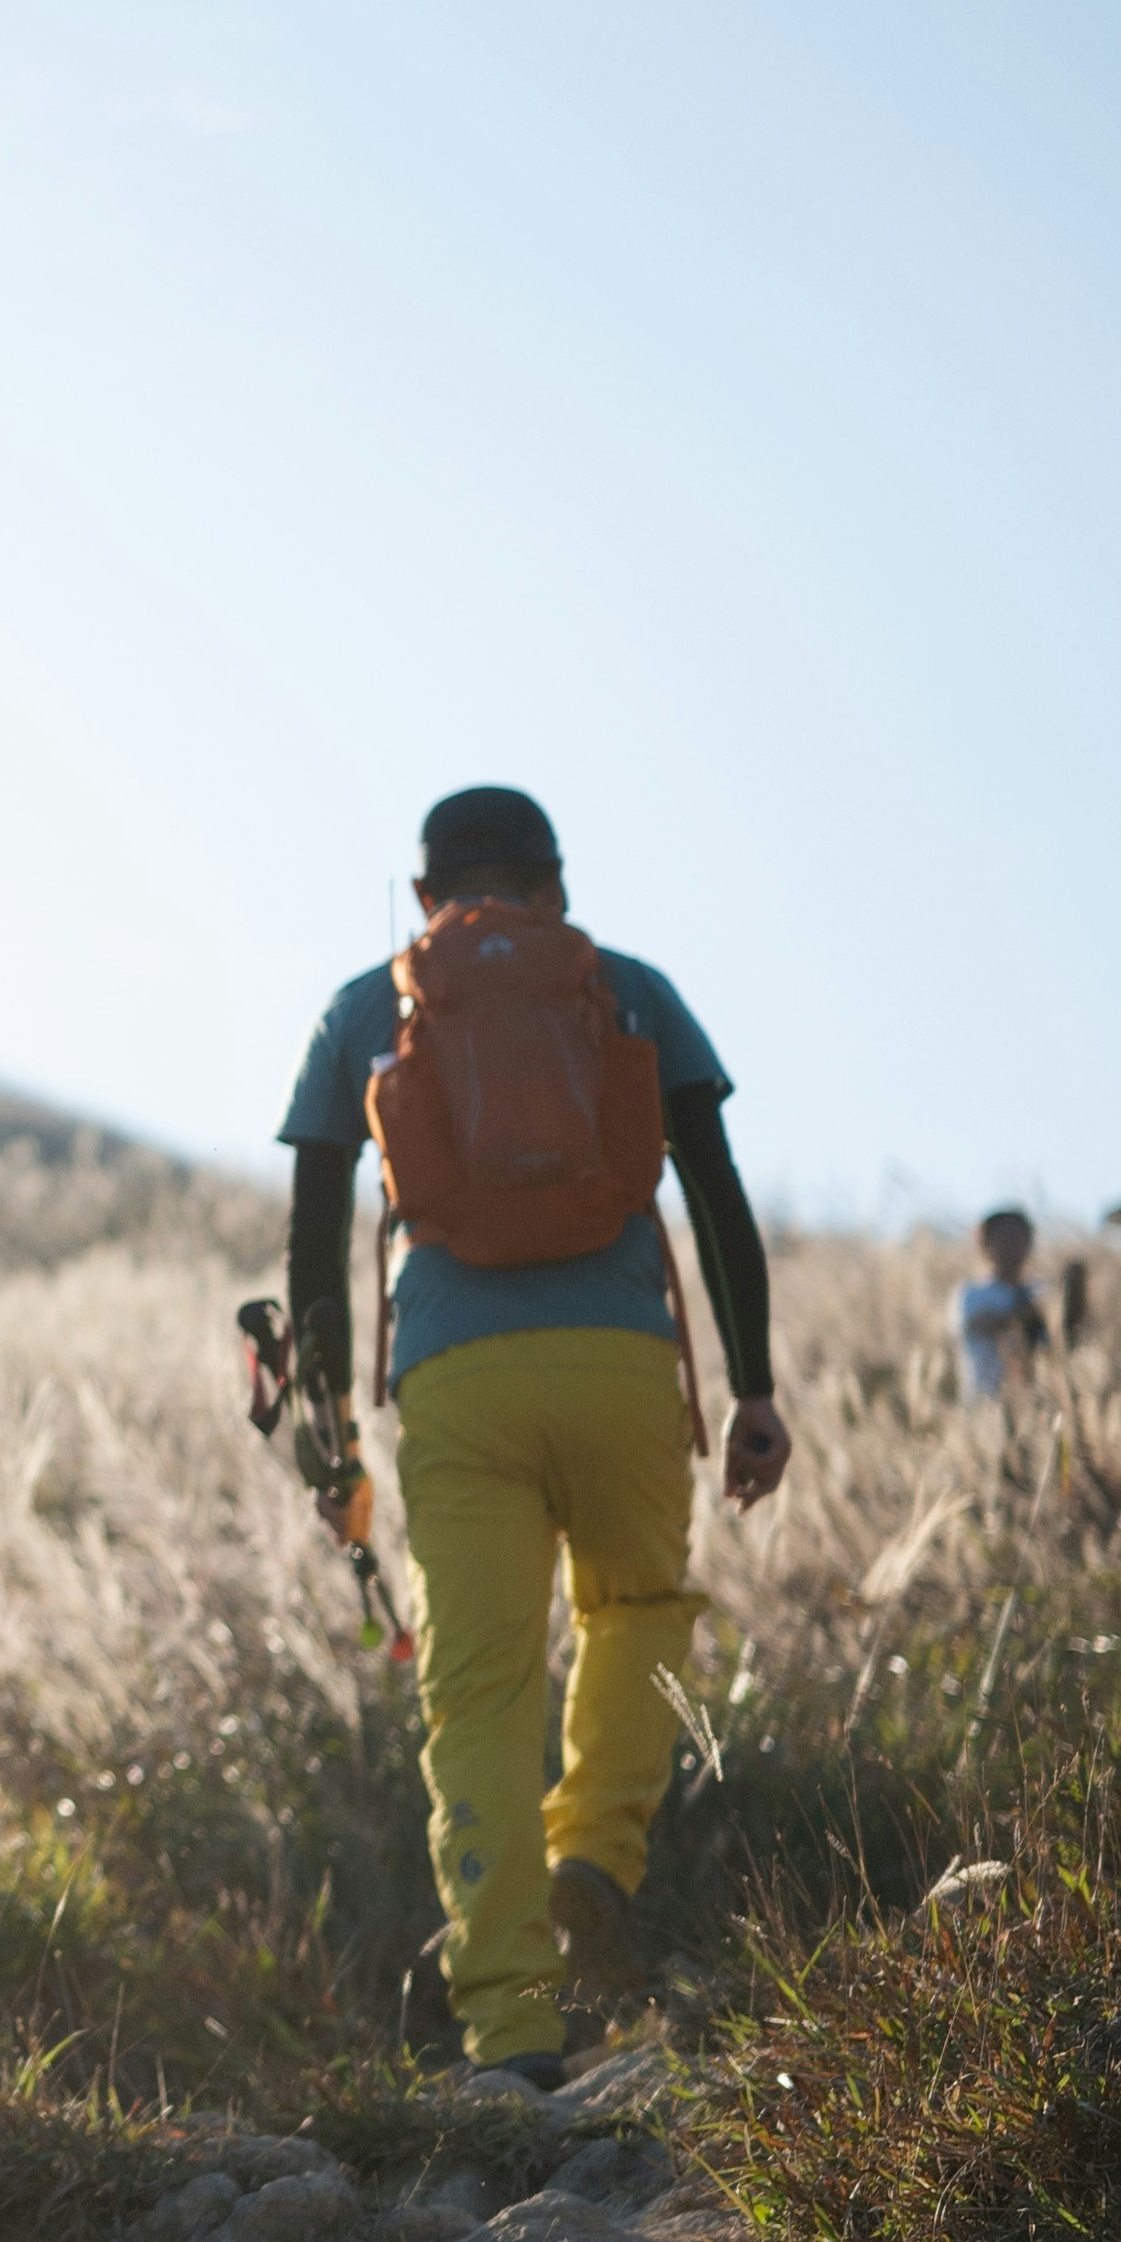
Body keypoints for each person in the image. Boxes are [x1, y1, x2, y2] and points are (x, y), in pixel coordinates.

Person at [281, 786, 785, 2086]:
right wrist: (755, 1388)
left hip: (456, 1381)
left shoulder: (366, 1007)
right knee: (633, 1611)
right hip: (621, 1365)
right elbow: (716, 1192)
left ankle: (508, 2022)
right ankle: (590, 1862)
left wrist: (329, 1416)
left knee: (478, 1689)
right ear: (554, 883)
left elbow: (314, 1234)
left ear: (422, 895)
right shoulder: (627, 989)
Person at [956, 1210, 1052, 1405]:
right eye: (1004, 1236)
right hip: (985, 1405)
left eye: (1019, 1236)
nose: (1012, 1244)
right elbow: (985, 1324)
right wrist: (1031, 1313)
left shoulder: (1041, 1290)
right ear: (985, 1244)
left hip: (1034, 1404)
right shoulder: (973, 1294)